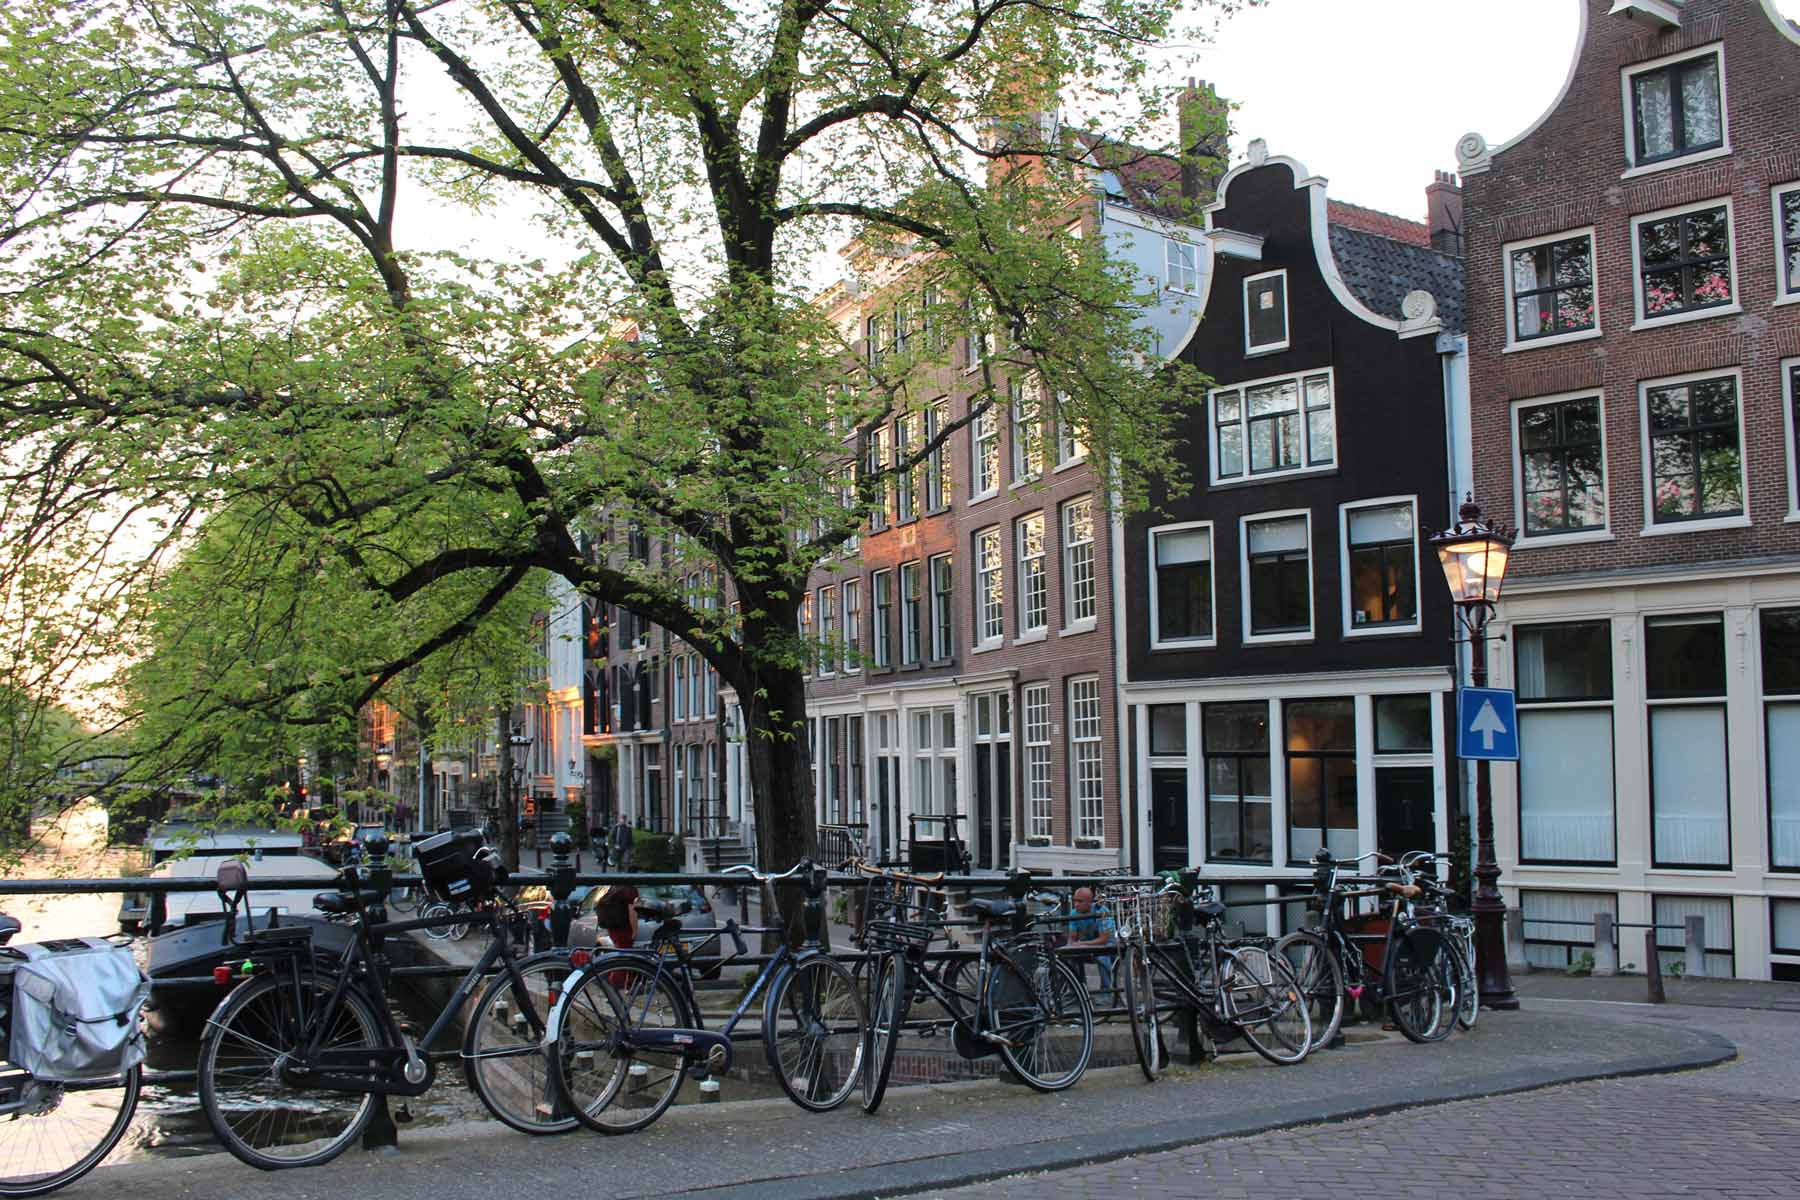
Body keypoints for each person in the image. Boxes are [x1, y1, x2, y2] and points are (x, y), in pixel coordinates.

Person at [1064, 887, 1117, 999]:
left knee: (1103, 957)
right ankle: (1078, 991)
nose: (1076, 904)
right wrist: (1070, 947)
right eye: (1075, 900)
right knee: (1070, 956)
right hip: (1088, 946)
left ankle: (1106, 992)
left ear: (1089, 902)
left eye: (1080, 901)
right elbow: (1072, 937)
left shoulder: (1102, 911)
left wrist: (1082, 944)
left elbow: (1104, 939)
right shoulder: (1074, 913)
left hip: (1108, 948)